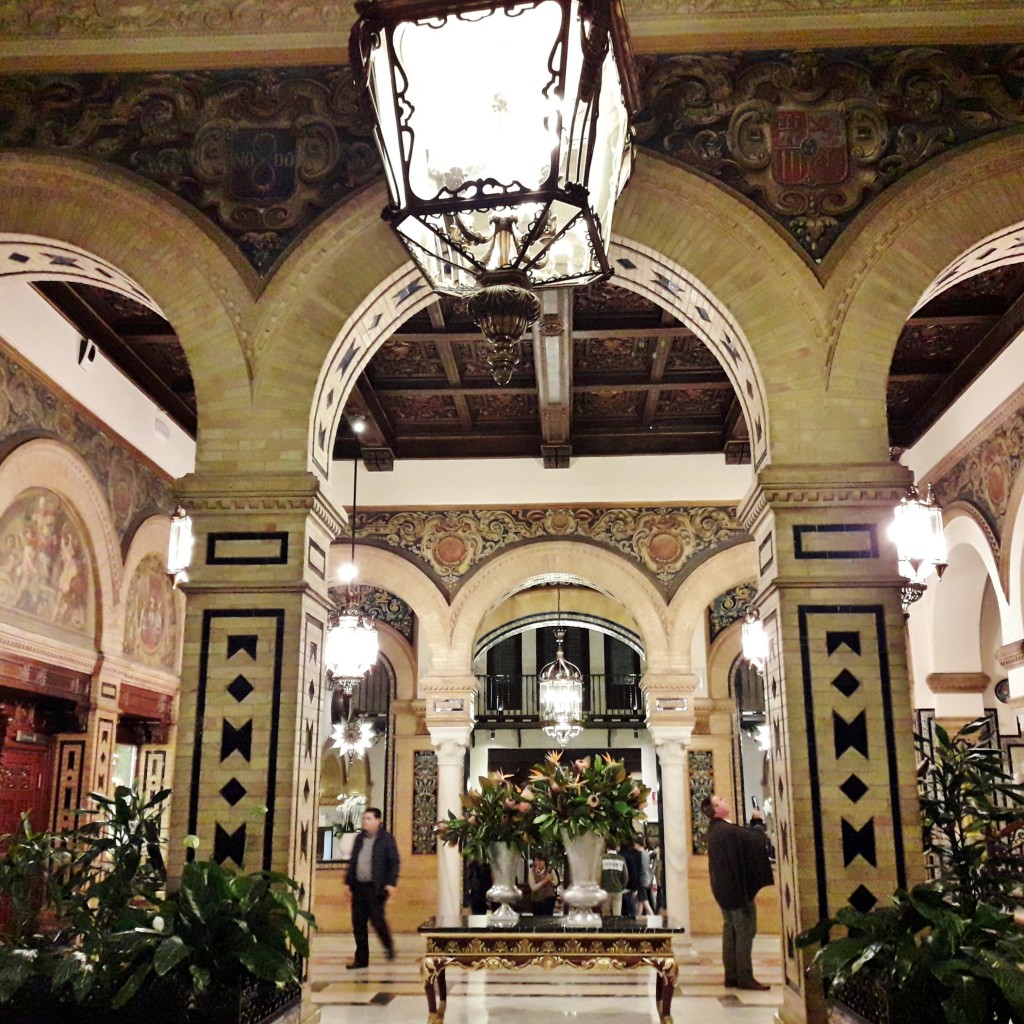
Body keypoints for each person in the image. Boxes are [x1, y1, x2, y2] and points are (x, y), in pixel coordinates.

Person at [701, 794, 774, 991]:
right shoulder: (725, 830)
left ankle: (731, 976)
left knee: (730, 930)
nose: (726, 801)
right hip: (737, 892)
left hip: (723, 890)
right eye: (721, 801)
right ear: (717, 809)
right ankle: (744, 976)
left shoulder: (715, 830)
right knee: (744, 931)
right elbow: (754, 839)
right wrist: (757, 822)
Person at [345, 807, 400, 969]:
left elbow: (394, 862)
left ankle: (389, 946)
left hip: (376, 888)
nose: (365, 821)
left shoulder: (386, 839)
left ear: (378, 821)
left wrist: (391, 883)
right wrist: (348, 883)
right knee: (358, 923)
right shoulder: (359, 838)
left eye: (369, 818)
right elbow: (353, 861)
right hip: (358, 887)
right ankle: (361, 959)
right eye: (364, 818)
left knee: (377, 920)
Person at [600, 841, 629, 916]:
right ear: (616, 848)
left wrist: (601, 886)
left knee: (605, 913)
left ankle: (607, 923)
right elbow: (625, 876)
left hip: (605, 890)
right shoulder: (621, 859)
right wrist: (622, 887)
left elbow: (599, 875)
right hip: (617, 890)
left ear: (607, 848)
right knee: (617, 914)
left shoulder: (602, 859)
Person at [621, 839, 643, 918]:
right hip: (635, 884)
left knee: (624, 909)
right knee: (633, 908)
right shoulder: (638, 855)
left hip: (625, 886)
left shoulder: (622, 855)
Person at [635, 837, 655, 917]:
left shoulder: (640, 855)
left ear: (637, 844)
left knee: (645, 902)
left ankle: (653, 917)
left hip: (642, 880)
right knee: (640, 902)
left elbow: (639, 868)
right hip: (647, 879)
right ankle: (638, 917)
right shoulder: (646, 855)